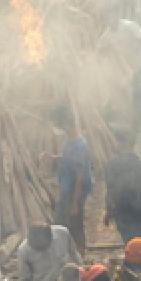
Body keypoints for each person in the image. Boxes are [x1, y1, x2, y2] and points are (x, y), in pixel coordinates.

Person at [50, 106, 93, 253]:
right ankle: (68, 251)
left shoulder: (80, 146)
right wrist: (53, 157)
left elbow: (80, 176)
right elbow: (68, 159)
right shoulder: (69, 140)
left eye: (64, 126)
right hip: (66, 188)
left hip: (76, 190)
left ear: (70, 126)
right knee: (62, 221)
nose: (63, 129)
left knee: (75, 222)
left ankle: (81, 253)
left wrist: (75, 202)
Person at [104, 129, 141, 244]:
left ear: (119, 143)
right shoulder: (139, 163)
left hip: (122, 208)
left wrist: (109, 210)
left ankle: (133, 259)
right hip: (140, 208)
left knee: (129, 241)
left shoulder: (112, 164)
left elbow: (110, 189)